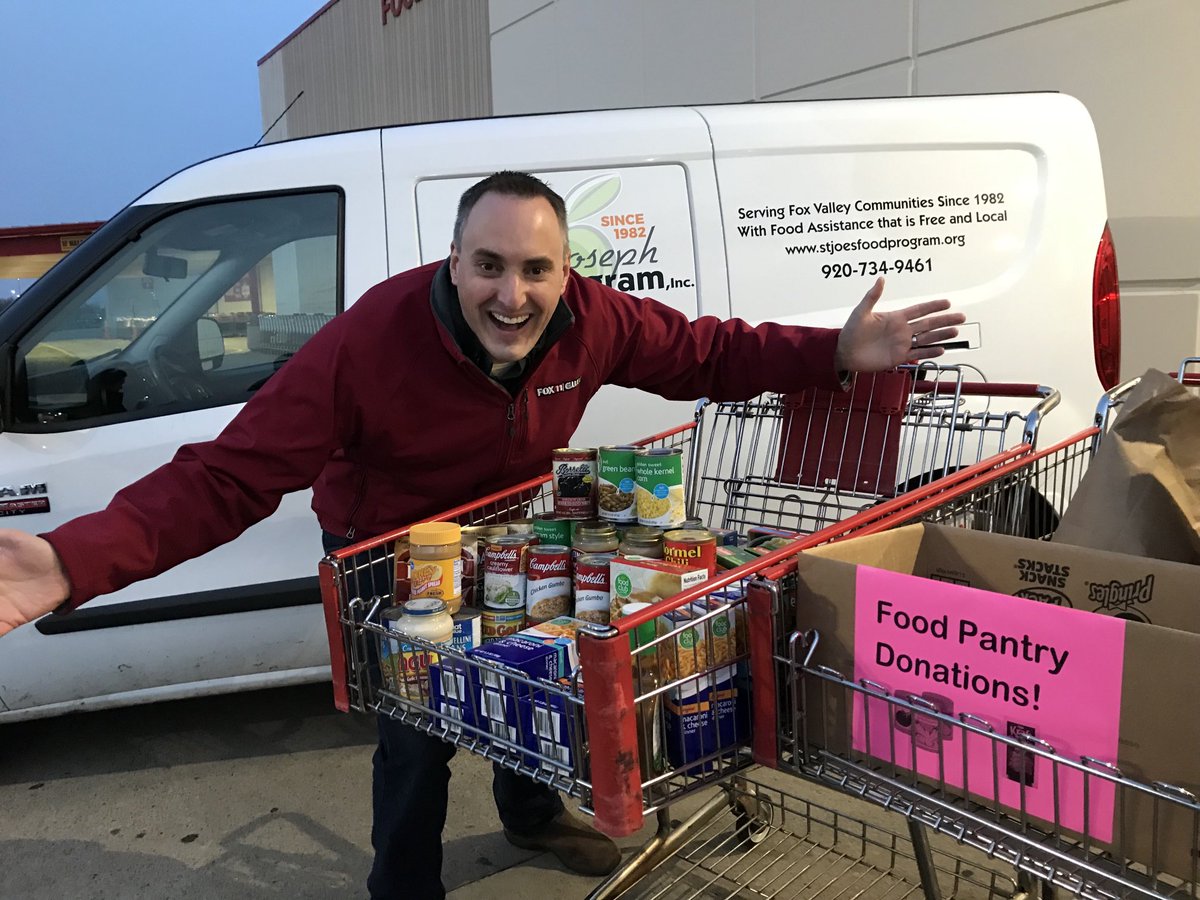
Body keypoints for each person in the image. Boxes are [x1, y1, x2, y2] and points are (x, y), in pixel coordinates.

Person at [0, 171, 963, 899]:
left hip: (511, 532)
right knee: (419, 729)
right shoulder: (368, 343)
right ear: (452, 263)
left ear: (566, 272)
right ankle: (402, 886)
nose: (512, 295)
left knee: (524, 679)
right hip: (393, 545)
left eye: (535, 269)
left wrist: (833, 353)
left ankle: (533, 814)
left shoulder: (596, 321)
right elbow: (231, 473)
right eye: (488, 266)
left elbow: (711, 351)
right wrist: (69, 560)